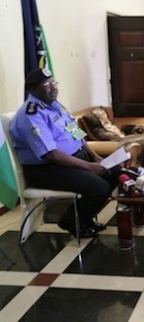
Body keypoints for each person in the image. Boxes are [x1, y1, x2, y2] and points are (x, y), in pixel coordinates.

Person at [9, 68, 120, 238]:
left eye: (54, 82)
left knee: (114, 172)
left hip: (72, 160)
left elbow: (76, 132)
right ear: (32, 89)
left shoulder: (55, 106)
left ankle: (84, 218)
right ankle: (70, 221)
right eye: (46, 84)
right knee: (100, 187)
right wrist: (90, 167)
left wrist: (94, 156)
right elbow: (51, 154)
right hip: (48, 169)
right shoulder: (31, 115)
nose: (53, 87)